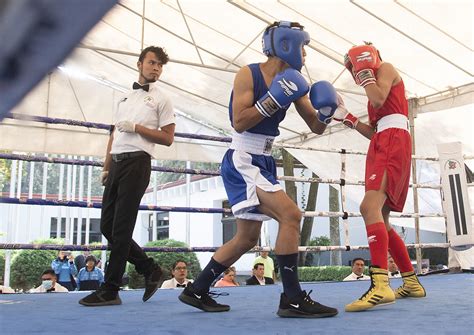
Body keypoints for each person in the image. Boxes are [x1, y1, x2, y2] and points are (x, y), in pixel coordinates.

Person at [178, 21, 338, 318]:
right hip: (243, 157)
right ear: (287, 44)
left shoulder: (295, 81)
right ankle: (292, 298)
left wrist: (328, 112)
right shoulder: (248, 73)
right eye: (303, 46)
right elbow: (239, 121)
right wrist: (274, 98)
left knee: (247, 238)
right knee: (290, 215)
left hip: (264, 159)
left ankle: (197, 289)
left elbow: (314, 126)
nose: (306, 54)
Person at [79, 46, 176, 306]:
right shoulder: (123, 98)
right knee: (107, 227)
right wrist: (106, 166)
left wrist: (138, 128)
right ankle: (149, 268)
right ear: (139, 63)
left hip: (138, 163)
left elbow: (167, 138)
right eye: (152, 63)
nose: (156, 68)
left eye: (160, 65)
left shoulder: (162, 98)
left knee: (121, 229)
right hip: (118, 164)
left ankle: (110, 289)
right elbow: (114, 136)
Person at [335, 42, 426, 312]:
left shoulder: (385, 69)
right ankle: (411, 282)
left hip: (393, 142)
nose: (355, 71)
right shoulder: (374, 86)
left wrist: (365, 71)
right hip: (382, 142)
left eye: (355, 65)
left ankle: (381, 284)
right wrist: (346, 118)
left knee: (368, 207)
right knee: (381, 218)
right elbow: (373, 131)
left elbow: (377, 98)